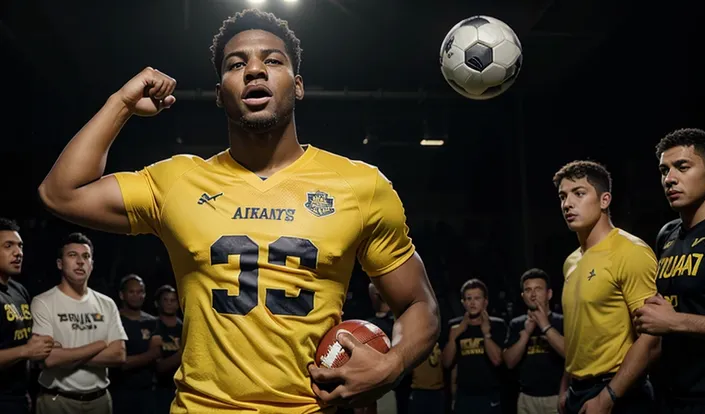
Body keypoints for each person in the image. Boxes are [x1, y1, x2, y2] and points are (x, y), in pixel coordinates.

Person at [37, 8, 440, 413]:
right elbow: (61, 193)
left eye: (272, 60)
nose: (254, 70)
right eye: (236, 64)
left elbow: (419, 304)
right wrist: (121, 103)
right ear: (219, 93)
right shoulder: (178, 182)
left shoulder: (360, 186)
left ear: (297, 86)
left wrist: (393, 365)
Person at [634, 128, 705, 413]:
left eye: (682, 167)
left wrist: (676, 322)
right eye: (664, 170)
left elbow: (673, 320)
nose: (669, 179)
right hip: (669, 396)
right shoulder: (666, 234)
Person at [553, 160, 660, 414]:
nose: (567, 204)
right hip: (576, 392)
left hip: (620, 392)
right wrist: (565, 386)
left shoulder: (630, 251)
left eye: (579, 194)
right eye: (563, 196)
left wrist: (608, 397)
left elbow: (652, 339)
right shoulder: (571, 262)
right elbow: (580, 334)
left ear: (604, 200)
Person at [31, 233, 127, 414]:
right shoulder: (43, 302)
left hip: (99, 401)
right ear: (60, 264)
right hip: (57, 400)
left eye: (86, 256)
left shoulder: (107, 303)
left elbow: (119, 355)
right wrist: (100, 345)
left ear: (92, 265)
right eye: (72, 255)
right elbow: (50, 359)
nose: (80, 261)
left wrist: (66, 355)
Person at [0, 218, 54, 414]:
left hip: (19, 396)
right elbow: (26, 349)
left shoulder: (18, 290)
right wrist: (26, 351)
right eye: (8, 246)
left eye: (20, 246)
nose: (18, 252)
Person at [503, 268, 564, 414]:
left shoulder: (562, 321)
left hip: (556, 397)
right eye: (528, 290)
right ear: (523, 295)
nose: (533, 295)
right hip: (526, 398)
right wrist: (525, 335)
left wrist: (545, 325)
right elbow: (509, 362)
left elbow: (571, 355)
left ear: (549, 294)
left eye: (538, 289)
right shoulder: (516, 324)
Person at [441, 279, 507, 414]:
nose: (472, 302)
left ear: (485, 301)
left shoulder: (497, 325)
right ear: (463, 303)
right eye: (468, 298)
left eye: (477, 298)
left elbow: (497, 360)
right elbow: (447, 363)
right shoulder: (454, 326)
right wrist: (455, 335)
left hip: (490, 395)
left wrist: (486, 333)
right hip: (464, 396)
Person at [109, 274, 161, 414]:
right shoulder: (113, 320)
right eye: (131, 292)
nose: (136, 296)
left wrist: (127, 360)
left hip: (147, 391)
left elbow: (156, 353)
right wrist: (147, 356)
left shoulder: (153, 322)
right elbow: (118, 361)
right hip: (119, 391)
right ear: (122, 294)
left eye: (140, 292)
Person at [152, 284, 183, 414]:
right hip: (159, 389)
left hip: (181, 387)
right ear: (157, 303)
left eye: (173, 300)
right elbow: (158, 366)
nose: (169, 303)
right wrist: (183, 353)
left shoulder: (185, 326)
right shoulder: (153, 326)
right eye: (166, 300)